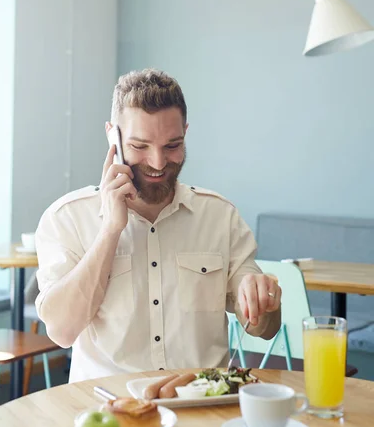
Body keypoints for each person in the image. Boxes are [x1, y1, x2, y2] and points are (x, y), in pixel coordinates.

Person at [35, 69, 281, 382]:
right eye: (140, 146)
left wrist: (265, 303)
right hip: (108, 412)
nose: (158, 162)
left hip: (204, 406)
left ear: (186, 133)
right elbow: (62, 330)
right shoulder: (67, 218)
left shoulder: (220, 216)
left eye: (172, 145)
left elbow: (264, 328)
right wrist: (111, 228)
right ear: (113, 137)